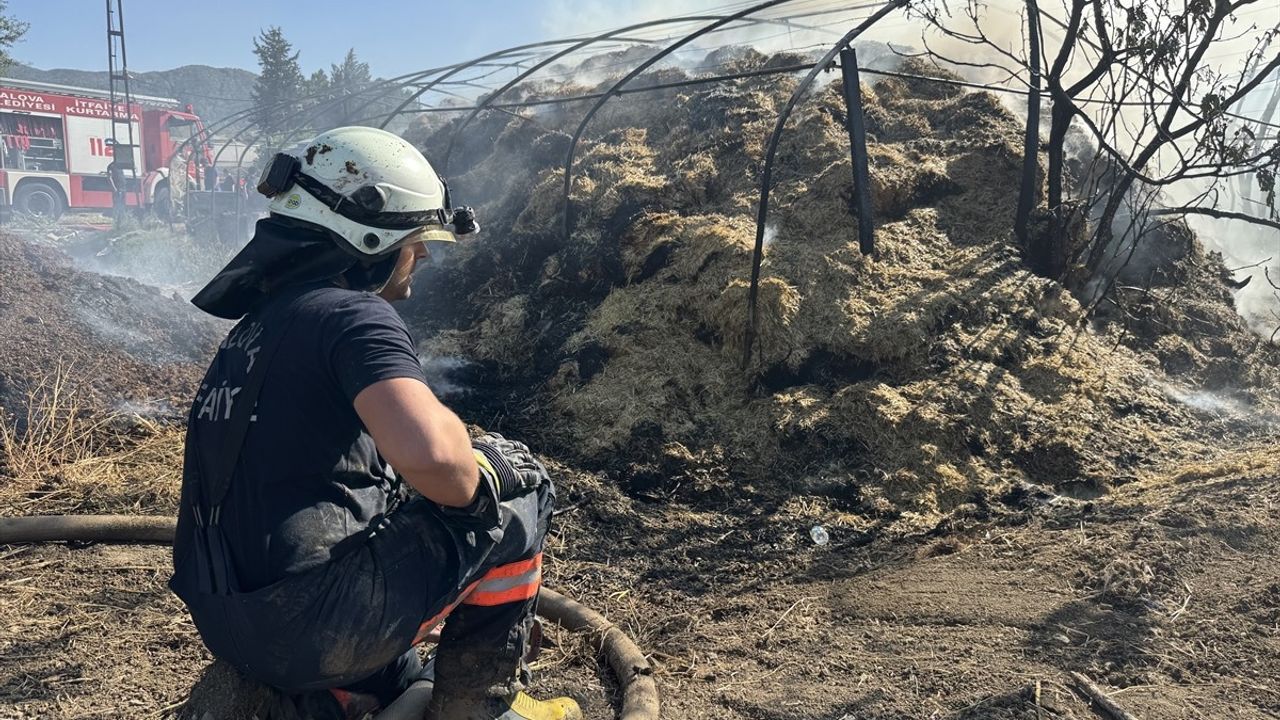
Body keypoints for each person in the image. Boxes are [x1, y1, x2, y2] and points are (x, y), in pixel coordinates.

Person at [170, 126, 581, 720]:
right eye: (417, 239)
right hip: (311, 626)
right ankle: (477, 708)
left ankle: (369, 686)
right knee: (519, 489)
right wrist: (481, 464)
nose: (426, 253)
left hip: (230, 622)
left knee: (385, 489)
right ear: (372, 237)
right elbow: (439, 464)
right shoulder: (355, 314)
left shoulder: (258, 327)